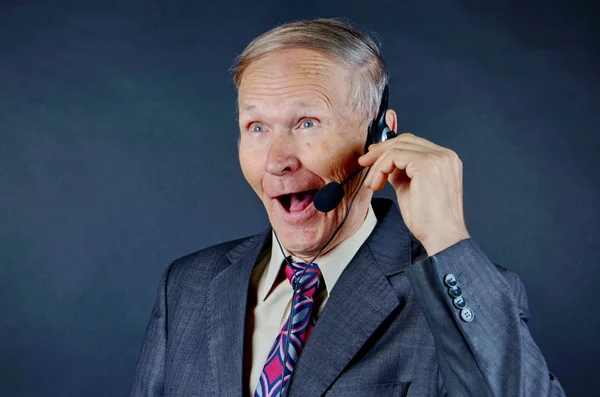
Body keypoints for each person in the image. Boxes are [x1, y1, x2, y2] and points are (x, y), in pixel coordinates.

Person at [129, 18, 566, 397]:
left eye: (307, 123)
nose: (278, 159)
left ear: (380, 136)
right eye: (257, 126)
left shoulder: (459, 295)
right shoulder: (187, 286)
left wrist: (446, 237)